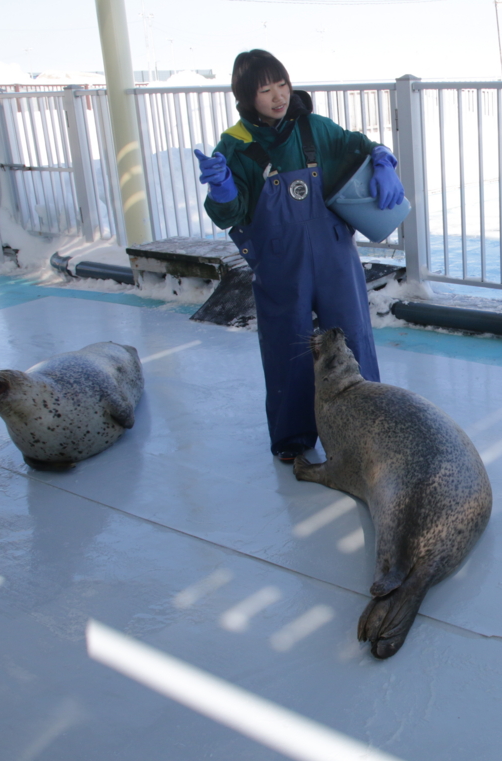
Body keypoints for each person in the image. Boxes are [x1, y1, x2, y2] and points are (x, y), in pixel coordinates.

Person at [194, 50, 404, 462]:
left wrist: (383, 160)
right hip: (279, 261)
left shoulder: (315, 129)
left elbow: (362, 146)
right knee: (285, 345)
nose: (278, 97)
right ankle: (294, 436)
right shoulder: (235, 146)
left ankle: (367, 424)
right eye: (265, 90)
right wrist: (222, 191)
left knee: (353, 337)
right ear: (245, 97)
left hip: (334, 254)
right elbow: (231, 215)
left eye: (282, 85)